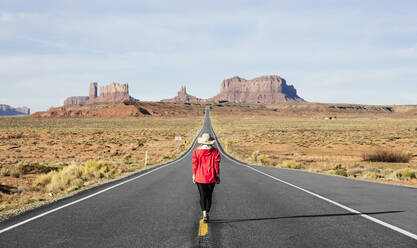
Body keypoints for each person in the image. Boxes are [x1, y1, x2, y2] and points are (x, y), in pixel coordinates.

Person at [192, 133, 221, 222]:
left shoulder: (196, 151)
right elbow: (216, 165)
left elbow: (195, 164)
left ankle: (204, 213)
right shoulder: (215, 151)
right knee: (209, 195)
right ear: (210, 142)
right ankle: (207, 212)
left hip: (200, 177)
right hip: (211, 177)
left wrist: (194, 175)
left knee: (202, 195)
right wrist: (217, 176)